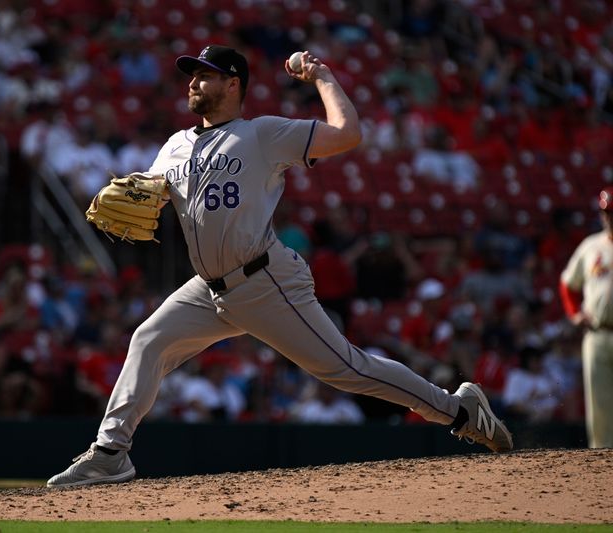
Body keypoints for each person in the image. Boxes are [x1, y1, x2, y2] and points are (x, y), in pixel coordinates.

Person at [47, 45, 513, 488]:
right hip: (210, 289)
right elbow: (149, 194)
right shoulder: (173, 146)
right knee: (148, 340)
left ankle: (459, 412)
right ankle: (109, 454)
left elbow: (348, 133)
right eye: (191, 74)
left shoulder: (263, 134)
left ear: (233, 84)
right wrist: (138, 191)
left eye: (205, 74)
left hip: (265, 280)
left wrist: (323, 76)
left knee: (346, 369)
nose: (193, 81)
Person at [559, 187, 613, 448]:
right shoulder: (592, 246)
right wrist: (574, 314)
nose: (609, 217)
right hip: (598, 333)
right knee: (599, 405)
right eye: (606, 212)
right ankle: (603, 467)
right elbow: (568, 283)